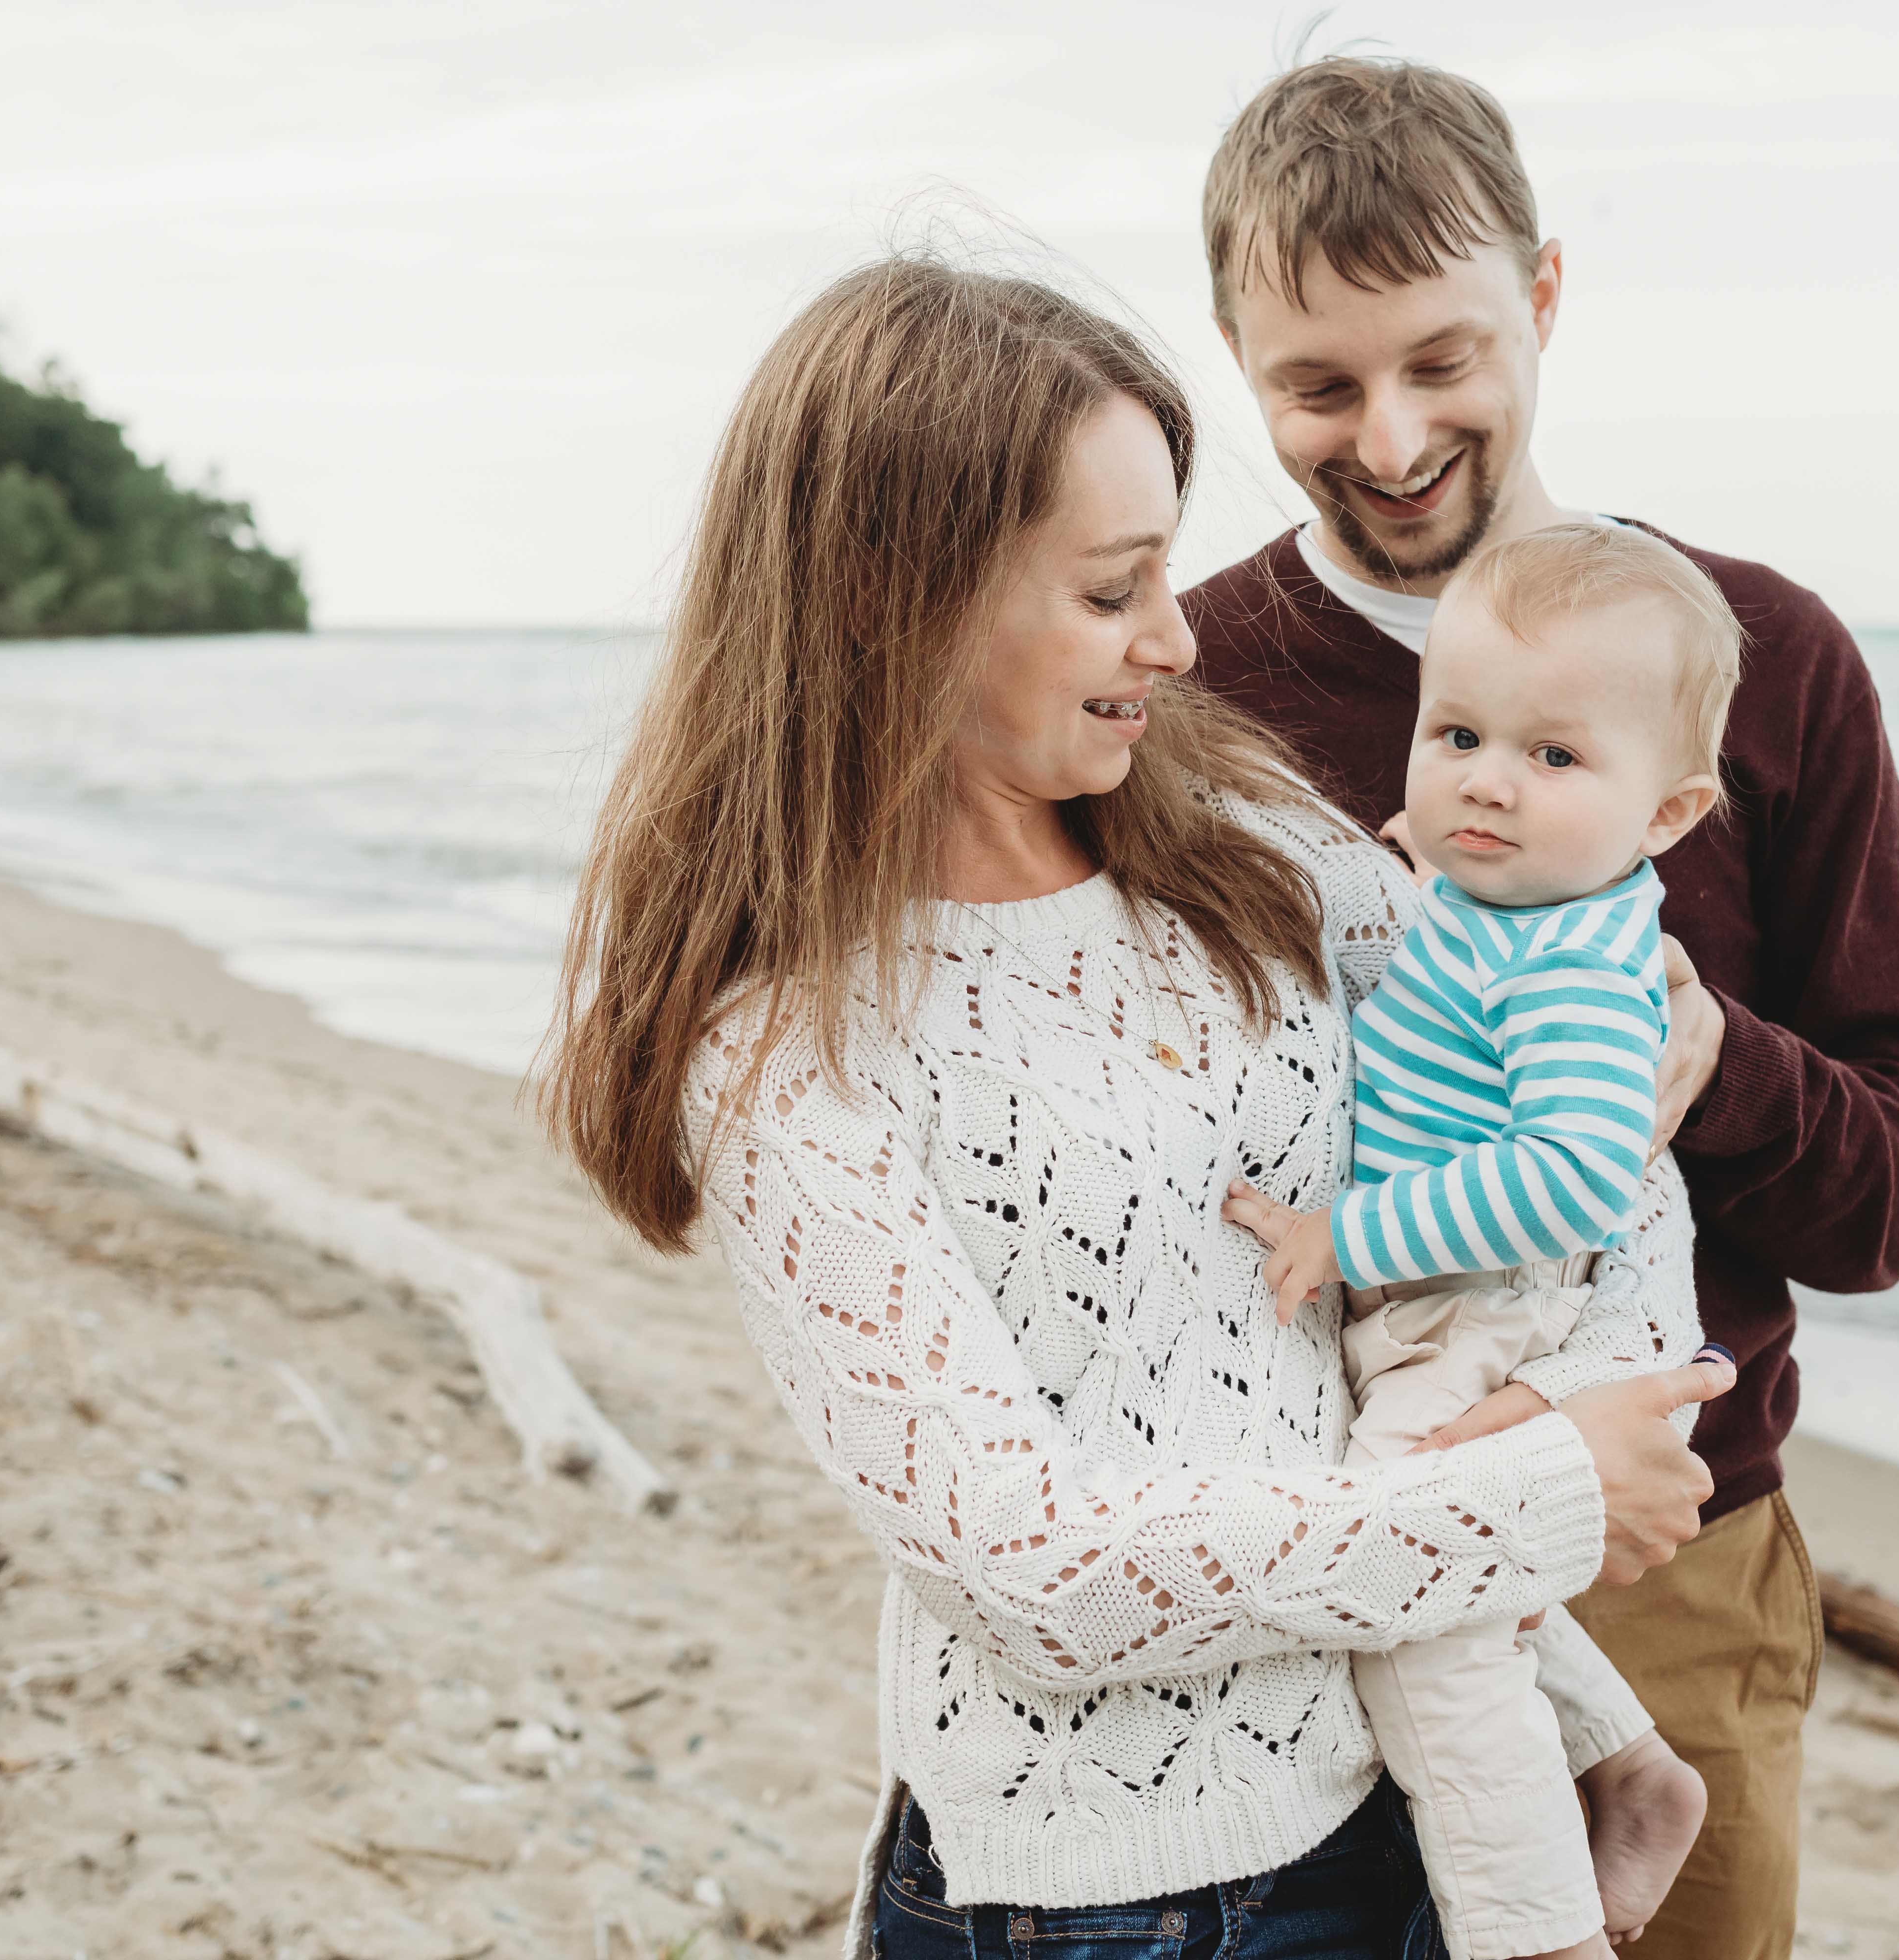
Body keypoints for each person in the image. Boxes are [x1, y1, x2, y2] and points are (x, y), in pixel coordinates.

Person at [541, 255, 1738, 1960]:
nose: (1176, 639)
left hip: (1408, 1798)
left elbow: (1596, 1083)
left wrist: (1590, 1383)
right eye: (1114, 589)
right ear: (896, 591)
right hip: (1108, 1904)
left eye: (1164, 570)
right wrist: (1537, 1493)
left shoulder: (1240, 846)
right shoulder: (789, 1049)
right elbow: (1029, 1573)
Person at [1183, 59, 1899, 1960]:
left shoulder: (1758, 661)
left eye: (1442, 358)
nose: (1387, 438)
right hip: (1285, 1563)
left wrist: (1707, 1065)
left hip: (1664, 1559)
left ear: (1542, 295)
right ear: (1234, 357)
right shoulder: (1184, 682)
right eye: (1316, 383)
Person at [1224, 521, 1745, 1960]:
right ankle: (1628, 1759)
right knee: (1447, 1559)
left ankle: (1536, 1932)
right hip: (1441, 1299)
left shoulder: (1573, 962)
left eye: (1552, 759)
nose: (1485, 780)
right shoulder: (1500, 903)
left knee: (1409, 1594)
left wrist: (1350, 1230)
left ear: (1666, 812)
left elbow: (1578, 1175)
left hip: (1474, 1306)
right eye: (1456, 733)